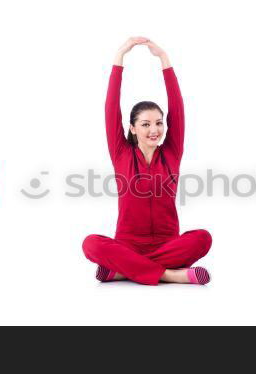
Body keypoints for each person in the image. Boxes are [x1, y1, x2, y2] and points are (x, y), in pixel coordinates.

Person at [81, 37, 212, 285]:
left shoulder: (171, 152)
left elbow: (178, 108)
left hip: (167, 244)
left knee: (202, 238)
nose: (154, 129)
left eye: (159, 123)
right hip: (127, 244)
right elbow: (111, 108)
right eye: (145, 124)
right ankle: (170, 274)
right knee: (91, 244)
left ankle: (124, 270)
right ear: (132, 128)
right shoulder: (121, 153)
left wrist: (164, 59)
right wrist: (119, 57)